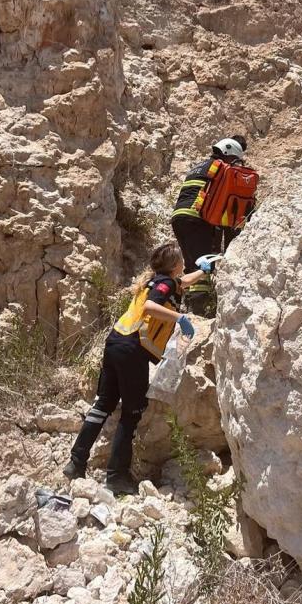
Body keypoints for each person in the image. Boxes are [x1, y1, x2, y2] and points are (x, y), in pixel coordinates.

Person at [63, 242, 205, 495]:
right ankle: (117, 477)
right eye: (182, 260)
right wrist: (180, 319)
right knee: (132, 413)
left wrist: (205, 270)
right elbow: (153, 306)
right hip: (133, 349)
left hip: (116, 340)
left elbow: (181, 283)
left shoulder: (158, 281)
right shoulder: (166, 284)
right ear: (174, 266)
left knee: (103, 404)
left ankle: (76, 462)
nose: (185, 264)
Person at [170, 134, 249, 315]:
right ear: (228, 153)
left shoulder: (200, 167)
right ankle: (200, 313)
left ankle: (188, 308)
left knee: (192, 265)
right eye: (235, 160)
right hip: (196, 220)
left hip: (180, 218)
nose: (236, 164)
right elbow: (226, 203)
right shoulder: (222, 168)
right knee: (202, 267)